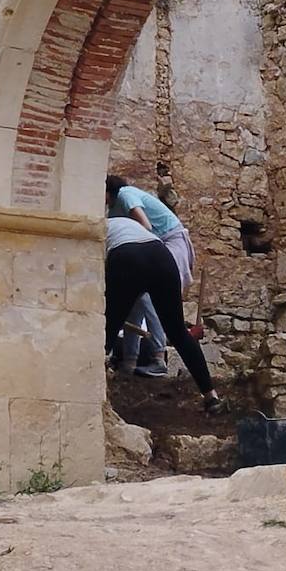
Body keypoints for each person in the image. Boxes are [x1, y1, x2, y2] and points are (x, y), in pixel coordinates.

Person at [105, 216, 221, 412]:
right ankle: (211, 397)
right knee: (178, 332)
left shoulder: (96, 229)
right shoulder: (123, 222)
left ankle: (91, 390)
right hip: (162, 257)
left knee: (107, 327)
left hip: (127, 256)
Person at [105, 175, 194, 291]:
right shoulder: (113, 211)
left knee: (167, 286)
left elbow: (146, 225)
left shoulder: (125, 194)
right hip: (154, 243)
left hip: (171, 237)